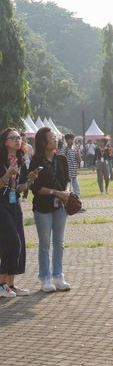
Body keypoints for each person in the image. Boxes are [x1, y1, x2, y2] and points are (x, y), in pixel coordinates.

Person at [29, 127, 71, 293]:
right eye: (51, 137)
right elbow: (36, 188)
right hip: (43, 207)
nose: (55, 139)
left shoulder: (61, 159)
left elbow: (67, 179)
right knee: (45, 243)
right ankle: (45, 278)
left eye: (55, 136)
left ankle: (58, 275)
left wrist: (66, 191)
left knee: (59, 243)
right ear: (42, 142)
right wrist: (56, 192)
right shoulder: (36, 161)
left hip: (61, 206)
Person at [0, 128, 38, 298]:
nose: (17, 140)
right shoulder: (2, 160)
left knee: (19, 243)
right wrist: (7, 174)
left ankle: (10, 285)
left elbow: (20, 187)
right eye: (13, 138)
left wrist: (29, 181)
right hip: (1, 204)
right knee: (12, 242)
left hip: (14, 203)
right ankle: (1, 285)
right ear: (5, 141)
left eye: (19, 138)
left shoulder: (20, 160)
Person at [59, 133, 85, 212]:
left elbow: (79, 161)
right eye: (70, 139)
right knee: (68, 191)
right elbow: (61, 161)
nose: (71, 141)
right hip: (67, 174)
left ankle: (77, 206)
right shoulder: (64, 149)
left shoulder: (74, 149)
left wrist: (78, 153)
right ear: (66, 140)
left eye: (72, 139)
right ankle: (69, 207)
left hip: (74, 173)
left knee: (77, 190)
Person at [20, 132, 34, 201]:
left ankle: (25, 196)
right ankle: (16, 195)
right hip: (19, 165)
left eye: (24, 137)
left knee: (26, 180)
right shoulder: (18, 146)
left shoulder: (29, 146)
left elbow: (32, 156)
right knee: (18, 180)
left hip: (27, 165)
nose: (22, 138)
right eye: (21, 137)